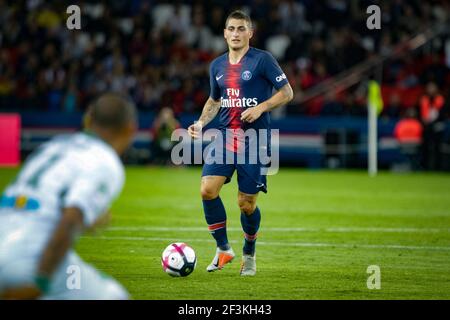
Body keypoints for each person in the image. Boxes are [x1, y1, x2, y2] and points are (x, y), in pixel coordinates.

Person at [0, 93, 137, 299]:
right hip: (27, 258)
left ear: (89, 120)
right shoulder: (105, 161)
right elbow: (71, 218)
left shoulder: (54, 145)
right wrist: (40, 281)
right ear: (130, 129)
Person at [188, 10, 293, 276]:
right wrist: (201, 123)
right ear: (224, 33)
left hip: (254, 140)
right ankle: (223, 248)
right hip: (225, 137)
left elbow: (287, 93)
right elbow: (214, 101)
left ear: (250, 33)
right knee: (207, 190)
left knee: (246, 204)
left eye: (240, 29)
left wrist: (261, 108)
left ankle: (249, 252)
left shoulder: (262, 60)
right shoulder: (217, 66)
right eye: (231, 29)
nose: (235, 34)